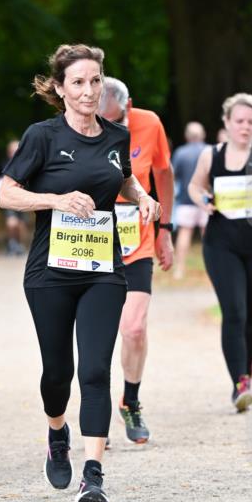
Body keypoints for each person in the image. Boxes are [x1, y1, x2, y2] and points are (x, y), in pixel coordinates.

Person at [0, 44, 159, 502]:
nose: (89, 91)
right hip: (49, 272)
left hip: (102, 269)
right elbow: (8, 195)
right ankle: (56, 432)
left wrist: (141, 196)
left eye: (95, 81)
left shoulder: (114, 135)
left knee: (93, 370)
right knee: (58, 374)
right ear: (60, 89)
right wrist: (56, 199)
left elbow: (123, 177)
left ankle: (94, 474)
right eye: (78, 83)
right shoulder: (42, 136)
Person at [189, 94, 252, 411]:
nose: (245, 127)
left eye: (251, 122)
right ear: (227, 123)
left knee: (251, 315)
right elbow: (194, 185)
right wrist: (202, 200)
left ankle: (245, 371)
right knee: (233, 311)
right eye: (239, 121)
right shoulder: (212, 155)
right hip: (221, 242)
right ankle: (240, 384)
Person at [98, 77, 174, 443]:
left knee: (134, 328)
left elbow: (163, 173)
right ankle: (95, 410)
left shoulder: (149, 123)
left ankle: (130, 400)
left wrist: (166, 228)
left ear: (128, 107)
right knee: (98, 332)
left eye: (117, 119)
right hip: (90, 242)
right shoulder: (74, 127)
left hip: (137, 241)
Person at [171, 122, 208, 281]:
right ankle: (211, 268)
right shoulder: (209, 151)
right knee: (208, 236)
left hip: (185, 200)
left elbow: (172, 176)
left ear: (187, 136)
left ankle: (179, 269)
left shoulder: (180, 153)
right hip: (205, 199)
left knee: (184, 234)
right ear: (203, 135)